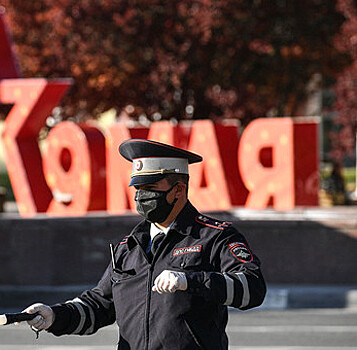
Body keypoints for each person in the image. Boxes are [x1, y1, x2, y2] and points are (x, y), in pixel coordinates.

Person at [24, 139, 266, 349]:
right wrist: (55, 316)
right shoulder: (129, 247)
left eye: (150, 188)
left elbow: (253, 288)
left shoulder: (213, 237)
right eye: (137, 188)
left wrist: (190, 281)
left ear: (179, 190)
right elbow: (99, 305)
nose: (140, 196)